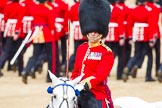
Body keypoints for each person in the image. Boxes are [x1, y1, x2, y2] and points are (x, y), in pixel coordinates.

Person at [70, 0, 114, 108]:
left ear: (102, 31)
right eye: (90, 30)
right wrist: (71, 83)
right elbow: (76, 71)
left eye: (96, 31)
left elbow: (99, 75)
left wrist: (84, 85)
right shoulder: (82, 48)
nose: (93, 33)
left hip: (96, 94)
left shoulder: (106, 52)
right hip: (78, 93)